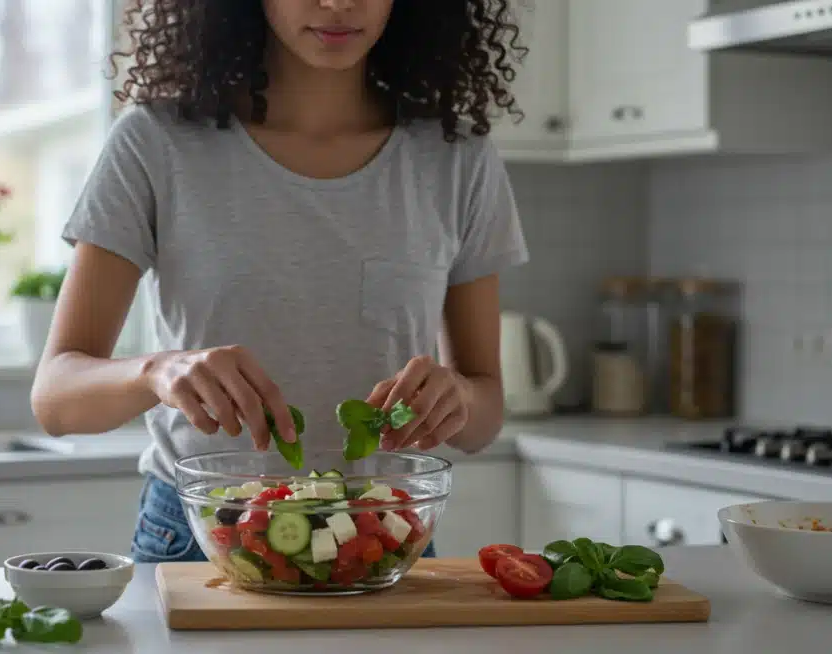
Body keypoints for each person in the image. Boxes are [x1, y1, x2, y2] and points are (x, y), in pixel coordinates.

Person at [31, 0, 529, 564]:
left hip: (383, 537)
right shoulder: (155, 142)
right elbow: (56, 398)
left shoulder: (456, 158)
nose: (339, 3)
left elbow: (482, 420)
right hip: (202, 537)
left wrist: (458, 398)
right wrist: (157, 370)